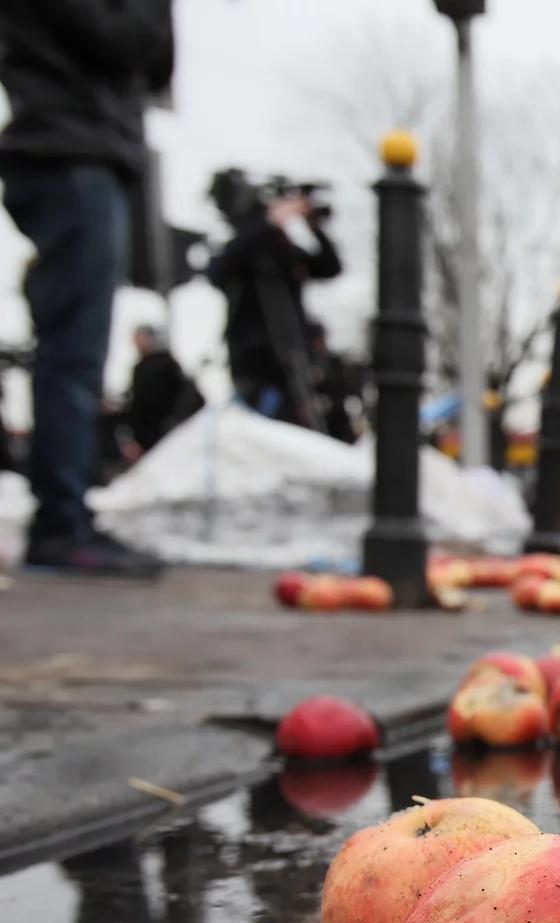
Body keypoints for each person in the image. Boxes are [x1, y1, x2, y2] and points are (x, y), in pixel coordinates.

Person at [0, 0, 174, 576]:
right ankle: (60, 524)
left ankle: (65, 516)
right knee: (73, 353)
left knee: (77, 352)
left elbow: (153, 64)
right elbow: (130, 43)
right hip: (69, 149)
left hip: (77, 147)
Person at [206, 176, 343, 429]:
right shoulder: (244, 252)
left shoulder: (285, 256)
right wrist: (269, 221)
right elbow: (217, 272)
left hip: (293, 358)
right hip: (254, 362)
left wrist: (314, 227)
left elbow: (330, 267)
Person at [123, 325, 202, 453]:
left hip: (165, 426)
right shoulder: (139, 368)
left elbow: (184, 393)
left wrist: (175, 419)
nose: (137, 343)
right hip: (145, 429)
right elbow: (137, 400)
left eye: (140, 338)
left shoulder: (167, 363)